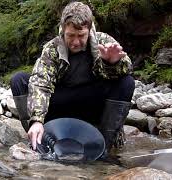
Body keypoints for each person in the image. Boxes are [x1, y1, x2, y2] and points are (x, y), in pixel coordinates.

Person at [10, 2, 135, 154]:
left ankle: (104, 146)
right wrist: (36, 119)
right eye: (70, 35)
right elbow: (40, 83)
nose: (76, 42)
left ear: (89, 29)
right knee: (19, 80)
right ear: (63, 30)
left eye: (81, 36)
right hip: (61, 104)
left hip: (92, 104)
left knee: (127, 82)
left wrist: (112, 63)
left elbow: (127, 68)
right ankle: (39, 138)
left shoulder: (104, 41)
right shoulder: (52, 48)